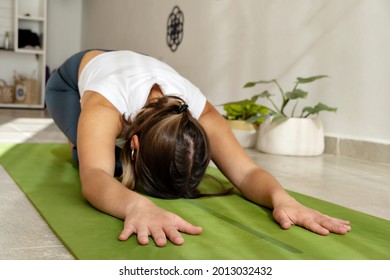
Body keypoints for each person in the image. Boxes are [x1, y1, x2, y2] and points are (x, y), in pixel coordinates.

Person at [45, 49, 351, 247]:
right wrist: (138, 205)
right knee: (98, 162)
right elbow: (93, 176)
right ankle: (77, 137)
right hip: (69, 83)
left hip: (130, 67)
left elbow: (246, 172)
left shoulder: (200, 111)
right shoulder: (104, 105)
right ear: (134, 143)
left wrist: (282, 198)